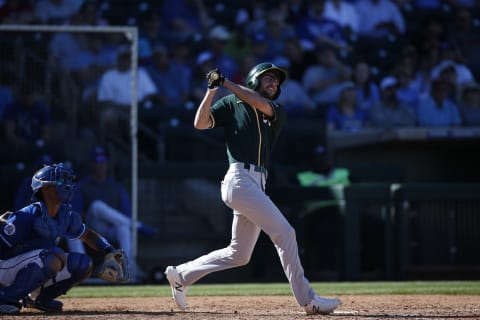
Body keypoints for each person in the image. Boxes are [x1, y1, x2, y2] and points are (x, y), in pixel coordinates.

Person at [164, 62, 341, 315]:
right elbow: (200, 124)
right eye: (269, 78)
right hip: (239, 179)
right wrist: (212, 90)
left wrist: (225, 83)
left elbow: (256, 102)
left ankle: (181, 274)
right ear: (254, 79)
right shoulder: (231, 104)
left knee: (239, 254)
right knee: (286, 234)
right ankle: (308, 300)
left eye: (276, 81)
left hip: (256, 184)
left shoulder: (276, 109)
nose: (274, 84)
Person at [0, 163, 124, 314]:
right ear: (45, 188)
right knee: (53, 255)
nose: (67, 185)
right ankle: (5, 299)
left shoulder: (65, 214)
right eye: (60, 182)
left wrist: (109, 250)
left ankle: (37, 299)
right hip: (5, 268)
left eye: (68, 181)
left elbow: (87, 235)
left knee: (82, 264)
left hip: (29, 265)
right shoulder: (26, 215)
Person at [71, 146, 156, 282]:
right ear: (92, 163)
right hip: (90, 229)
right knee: (97, 205)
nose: (100, 166)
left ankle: (128, 268)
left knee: (123, 227)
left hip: (110, 229)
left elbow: (126, 214)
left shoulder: (115, 186)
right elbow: (76, 214)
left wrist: (111, 218)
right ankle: (139, 226)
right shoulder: (83, 185)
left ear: (107, 164)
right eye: (97, 162)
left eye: (103, 162)